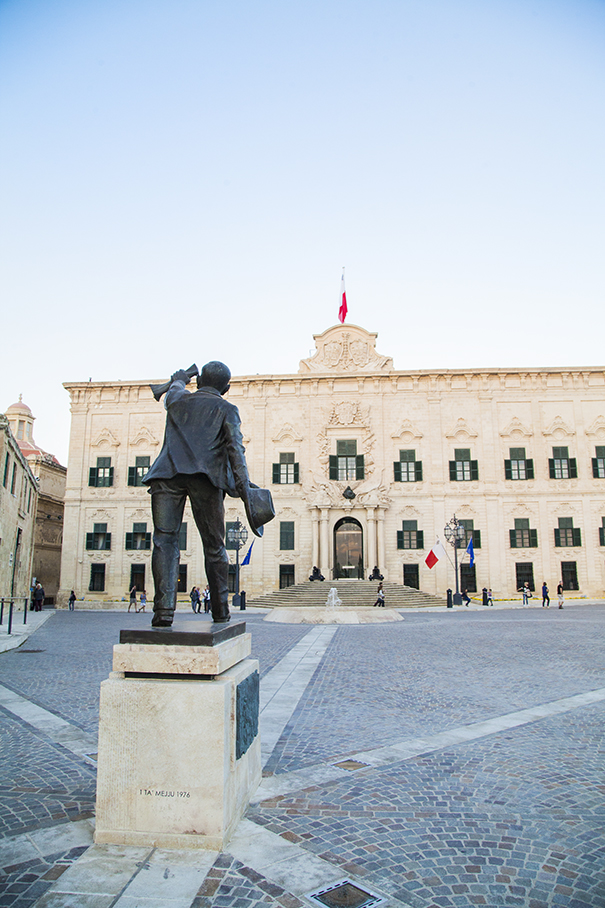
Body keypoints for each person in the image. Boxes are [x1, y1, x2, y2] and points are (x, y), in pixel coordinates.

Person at [143, 361, 274, 627]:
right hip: (206, 479)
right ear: (226, 388)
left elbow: (174, 390)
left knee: (164, 542)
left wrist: (180, 378)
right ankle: (221, 611)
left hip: (166, 476)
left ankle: (163, 611)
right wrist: (245, 488)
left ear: (200, 381)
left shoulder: (178, 398)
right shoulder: (227, 408)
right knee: (215, 547)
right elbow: (236, 451)